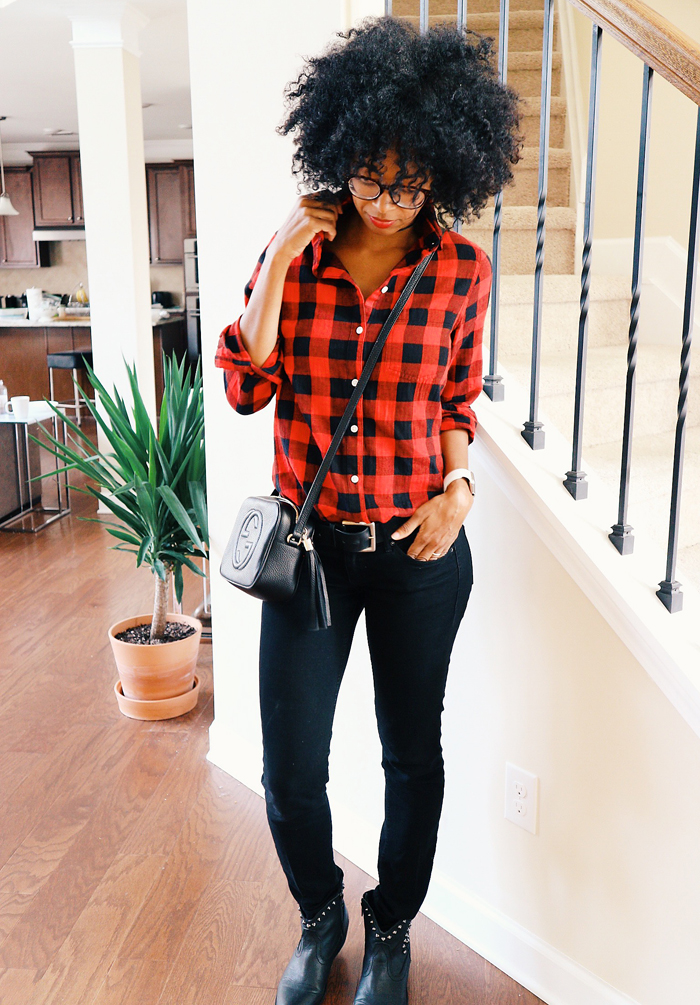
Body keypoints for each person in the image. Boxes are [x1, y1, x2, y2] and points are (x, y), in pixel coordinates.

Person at [215, 15, 520, 1005]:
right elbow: (244, 384)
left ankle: (391, 926)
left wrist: (459, 492)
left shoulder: (461, 270)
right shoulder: (295, 257)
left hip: (418, 553)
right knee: (290, 767)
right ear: (337, 152)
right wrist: (276, 260)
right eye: (371, 178)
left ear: (443, 174)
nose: (387, 201)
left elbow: (455, 400)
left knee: (411, 755)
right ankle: (321, 914)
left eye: (411, 184)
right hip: (310, 555)